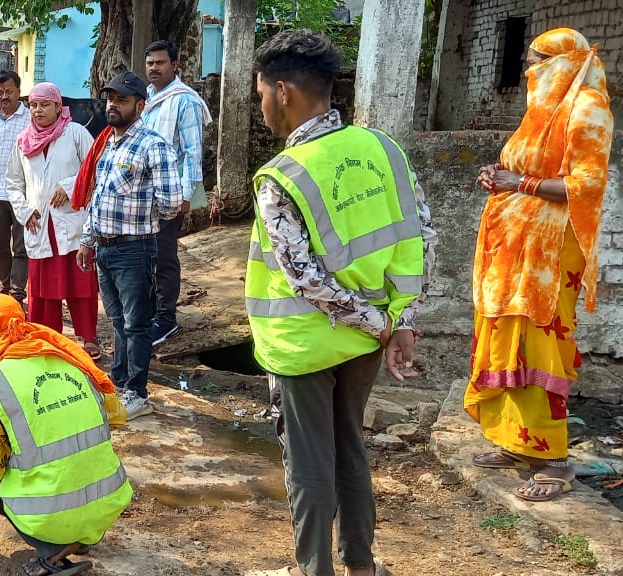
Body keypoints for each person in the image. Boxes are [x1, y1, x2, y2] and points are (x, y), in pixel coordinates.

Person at [242, 30, 437, 576]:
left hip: (304, 344)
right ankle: (362, 567)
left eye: (260, 95)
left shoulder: (283, 176)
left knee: (309, 463)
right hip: (366, 340)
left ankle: (314, 570)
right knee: (350, 447)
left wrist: (382, 325)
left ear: (283, 91)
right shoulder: (384, 150)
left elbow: (304, 278)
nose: (261, 108)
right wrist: (399, 323)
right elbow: (420, 238)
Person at [467, 28, 613, 503]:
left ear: (568, 63)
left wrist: (521, 183)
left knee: (540, 343)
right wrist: (498, 176)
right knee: (508, 336)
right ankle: (516, 443)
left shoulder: (586, 106)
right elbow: (520, 170)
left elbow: (585, 185)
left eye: (540, 61)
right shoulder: (540, 113)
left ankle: (553, 461)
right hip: (515, 251)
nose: (531, 70)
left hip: (550, 257)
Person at [0, 294, 131, 576]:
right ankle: (83, 536)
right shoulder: (70, 358)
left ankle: (52, 553)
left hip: (52, 513)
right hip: (109, 501)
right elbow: (117, 417)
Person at [73, 72, 181, 420]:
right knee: (118, 321)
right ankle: (118, 382)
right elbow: (97, 197)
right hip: (104, 248)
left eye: (121, 100)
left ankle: (137, 392)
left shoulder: (153, 145)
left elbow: (171, 202)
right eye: (110, 99)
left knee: (137, 323)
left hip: (135, 248)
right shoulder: (108, 144)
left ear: (140, 105)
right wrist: (88, 241)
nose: (113, 105)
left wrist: (142, 217)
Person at [5, 82, 100, 359]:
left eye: (44, 104)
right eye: (33, 105)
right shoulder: (23, 141)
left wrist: (70, 187)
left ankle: (88, 337)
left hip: (70, 221)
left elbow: (94, 167)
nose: (37, 110)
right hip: (38, 223)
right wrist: (24, 211)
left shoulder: (76, 134)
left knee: (80, 284)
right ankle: (47, 337)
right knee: (43, 290)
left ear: (59, 107)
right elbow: (13, 181)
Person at [139, 40, 213, 347]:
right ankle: (151, 313)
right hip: (144, 193)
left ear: (175, 65)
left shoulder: (185, 101)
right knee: (145, 254)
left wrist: (186, 196)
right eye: (150, 63)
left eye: (160, 62)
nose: (154, 67)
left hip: (171, 193)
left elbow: (193, 153)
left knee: (164, 255)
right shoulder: (148, 97)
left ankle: (166, 320)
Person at [0, 71, 31, 305]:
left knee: (21, 245)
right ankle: (5, 283)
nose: (4, 96)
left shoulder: (31, 120)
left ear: (18, 92)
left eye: (9, 91)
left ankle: (18, 291)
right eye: (0, 92)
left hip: (23, 193)